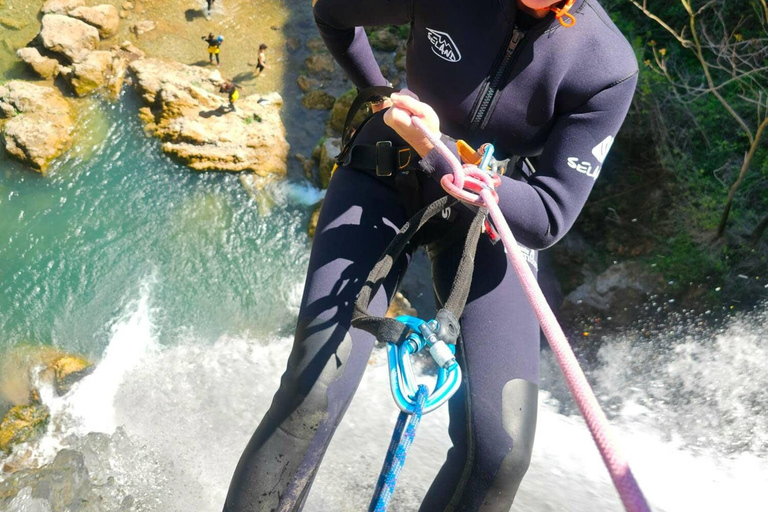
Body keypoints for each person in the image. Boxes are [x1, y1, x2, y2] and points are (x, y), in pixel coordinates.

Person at [223, 0, 638, 511]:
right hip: (387, 172)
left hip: (491, 215)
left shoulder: (606, 65)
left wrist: (443, 147)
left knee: (501, 452)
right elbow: (334, 13)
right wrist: (379, 96)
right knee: (314, 388)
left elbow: (551, 213)